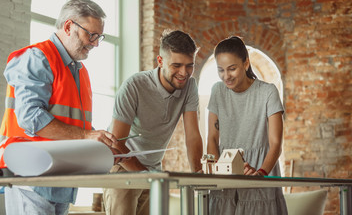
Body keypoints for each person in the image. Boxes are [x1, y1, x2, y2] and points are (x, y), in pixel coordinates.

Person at [0, 0, 120, 215]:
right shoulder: (37, 58)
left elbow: (76, 127)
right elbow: (30, 118)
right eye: (91, 35)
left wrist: (98, 146)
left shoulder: (79, 72)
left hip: (61, 175)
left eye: (100, 37)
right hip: (29, 173)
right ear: (69, 26)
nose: (96, 43)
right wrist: (87, 136)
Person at [103, 29, 203, 215]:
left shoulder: (190, 86)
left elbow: (193, 135)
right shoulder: (134, 86)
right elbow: (116, 146)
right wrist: (145, 174)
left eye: (190, 65)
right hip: (123, 168)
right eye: (176, 65)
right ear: (160, 61)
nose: (184, 73)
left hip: (153, 169)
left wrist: (197, 173)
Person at [207, 36, 288, 214]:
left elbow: (275, 144)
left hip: (260, 172)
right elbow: (212, 138)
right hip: (225, 179)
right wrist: (216, 171)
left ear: (246, 64)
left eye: (232, 69)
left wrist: (260, 174)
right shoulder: (217, 91)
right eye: (220, 70)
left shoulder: (268, 92)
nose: (226, 76)